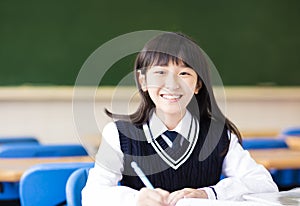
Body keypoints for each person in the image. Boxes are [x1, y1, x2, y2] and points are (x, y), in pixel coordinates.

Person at [82, 32, 278, 206]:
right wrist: (136, 200)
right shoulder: (118, 133)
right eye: (160, 72)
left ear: (197, 85)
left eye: (184, 73)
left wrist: (209, 194)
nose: (172, 84)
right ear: (143, 81)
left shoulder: (216, 134)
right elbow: (92, 195)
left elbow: (264, 184)